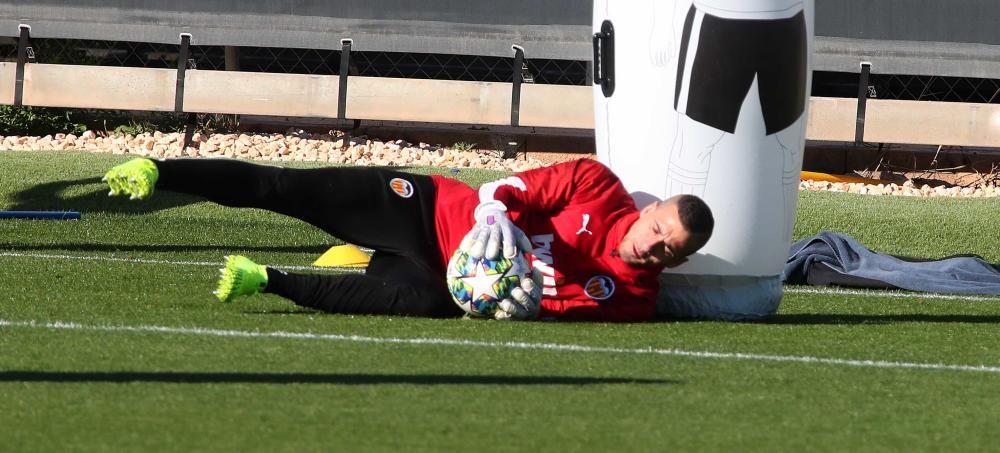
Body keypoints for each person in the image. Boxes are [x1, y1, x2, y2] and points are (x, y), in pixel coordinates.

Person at [102, 156, 714, 322]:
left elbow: (543, 311)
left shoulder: (631, 301)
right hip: (428, 211)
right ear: (650, 207)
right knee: (287, 188)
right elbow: (506, 187)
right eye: (658, 229)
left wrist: (506, 298)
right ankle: (160, 171)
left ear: (678, 261)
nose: (654, 246)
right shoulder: (597, 185)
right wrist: (493, 213)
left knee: (417, 303)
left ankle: (268, 280)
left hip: (441, 280)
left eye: (670, 251)